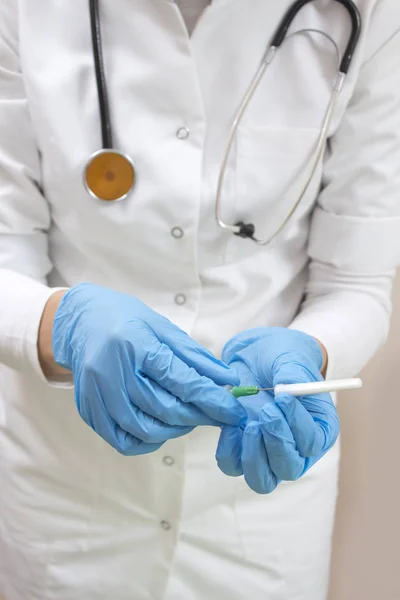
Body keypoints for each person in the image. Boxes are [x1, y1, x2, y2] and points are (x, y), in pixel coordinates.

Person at [0, 1, 399, 599]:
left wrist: (312, 354)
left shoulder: (370, 12)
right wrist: (61, 325)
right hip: (68, 492)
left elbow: (357, 284)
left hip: (259, 513)